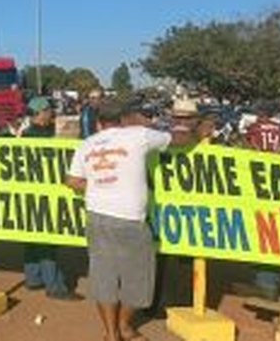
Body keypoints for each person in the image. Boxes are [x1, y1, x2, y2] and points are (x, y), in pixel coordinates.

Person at [66, 100, 190, 341]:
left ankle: (111, 334)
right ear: (122, 120)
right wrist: (194, 131)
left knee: (104, 278)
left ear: (98, 123)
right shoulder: (139, 136)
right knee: (139, 281)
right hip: (130, 220)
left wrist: (100, 185)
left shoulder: (86, 144)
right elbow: (178, 141)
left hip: (97, 217)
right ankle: (124, 326)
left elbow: (71, 180)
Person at [21, 97, 80, 300]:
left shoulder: (26, 135)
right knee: (47, 239)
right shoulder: (41, 136)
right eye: (47, 111)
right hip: (43, 194)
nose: (51, 114)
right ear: (39, 113)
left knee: (33, 237)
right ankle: (54, 286)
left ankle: (33, 278)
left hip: (31, 194)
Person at [233, 101, 280, 301]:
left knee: (264, 234)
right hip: (278, 186)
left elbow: (245, 150)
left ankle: (266, 283)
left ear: (261, 113)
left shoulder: (253, 130)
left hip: (259, 187)